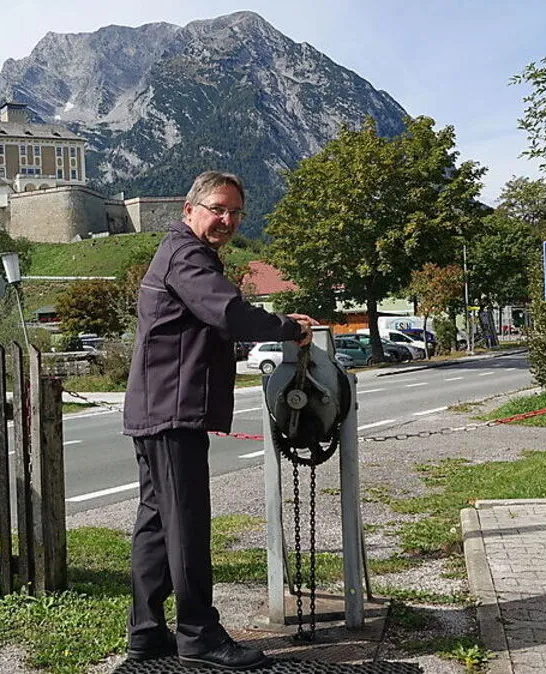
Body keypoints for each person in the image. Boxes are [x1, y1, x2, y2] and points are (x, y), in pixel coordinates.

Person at [123, 170, 316, 670]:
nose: (226, 220)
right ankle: (198, 634)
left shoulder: (183, 253)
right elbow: (229, 314)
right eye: (217, 209)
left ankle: (146, 632)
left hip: (159, 409)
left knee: (158, 524)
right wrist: (288, 327)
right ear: (189, 211)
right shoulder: (186, 255)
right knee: (185, 524)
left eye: (235, 212)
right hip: (172, 411)